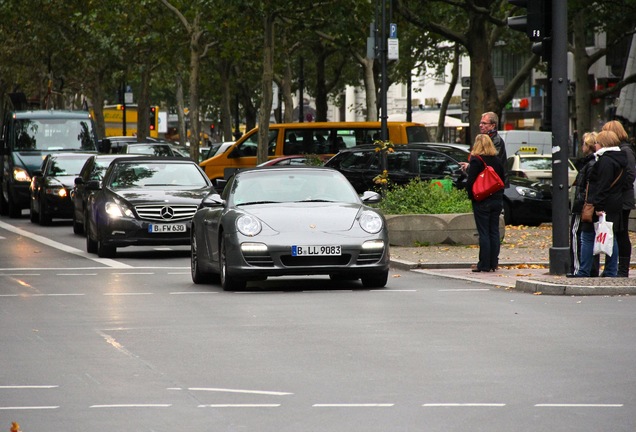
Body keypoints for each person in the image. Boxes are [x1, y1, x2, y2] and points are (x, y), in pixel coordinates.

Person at [575, 130, 627, 277]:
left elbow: (602, 185)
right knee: (611, 236)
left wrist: (598, 206)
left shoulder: (605, 161)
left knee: (587, 236)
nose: (595, 145)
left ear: (603, 143)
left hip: (601, 203)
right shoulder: (621, 159)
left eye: (597, 142)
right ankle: (611, 270)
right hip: (615, 202)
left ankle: (584, 271)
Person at [466, 134, 505, 273]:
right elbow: (502, 179)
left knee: (483, 233)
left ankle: (484, 264)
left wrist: (471, 196)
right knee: (494, 231)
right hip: (496, 200)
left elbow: (471, 182)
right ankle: (494, 262)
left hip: (482, 200)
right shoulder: (497, 160)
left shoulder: (477, 160)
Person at [601, 120, 635, 277]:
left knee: (620, 234)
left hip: (622, 199)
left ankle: (622, 269)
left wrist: (615, 189)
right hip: (619, 198)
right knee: (614, 233)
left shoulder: (625, 151)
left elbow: (629, 176)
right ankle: (614, 268)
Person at [569, 132, 599, 276]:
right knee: (589, 236)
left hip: (583, 204)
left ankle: (578, 268)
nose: (582, 147)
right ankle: (589, 268)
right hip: (587, 203)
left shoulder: (589, 164)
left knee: (577, 234)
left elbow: (586, 187)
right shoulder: (593, 162)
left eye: (584, 144)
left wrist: (581, 204)